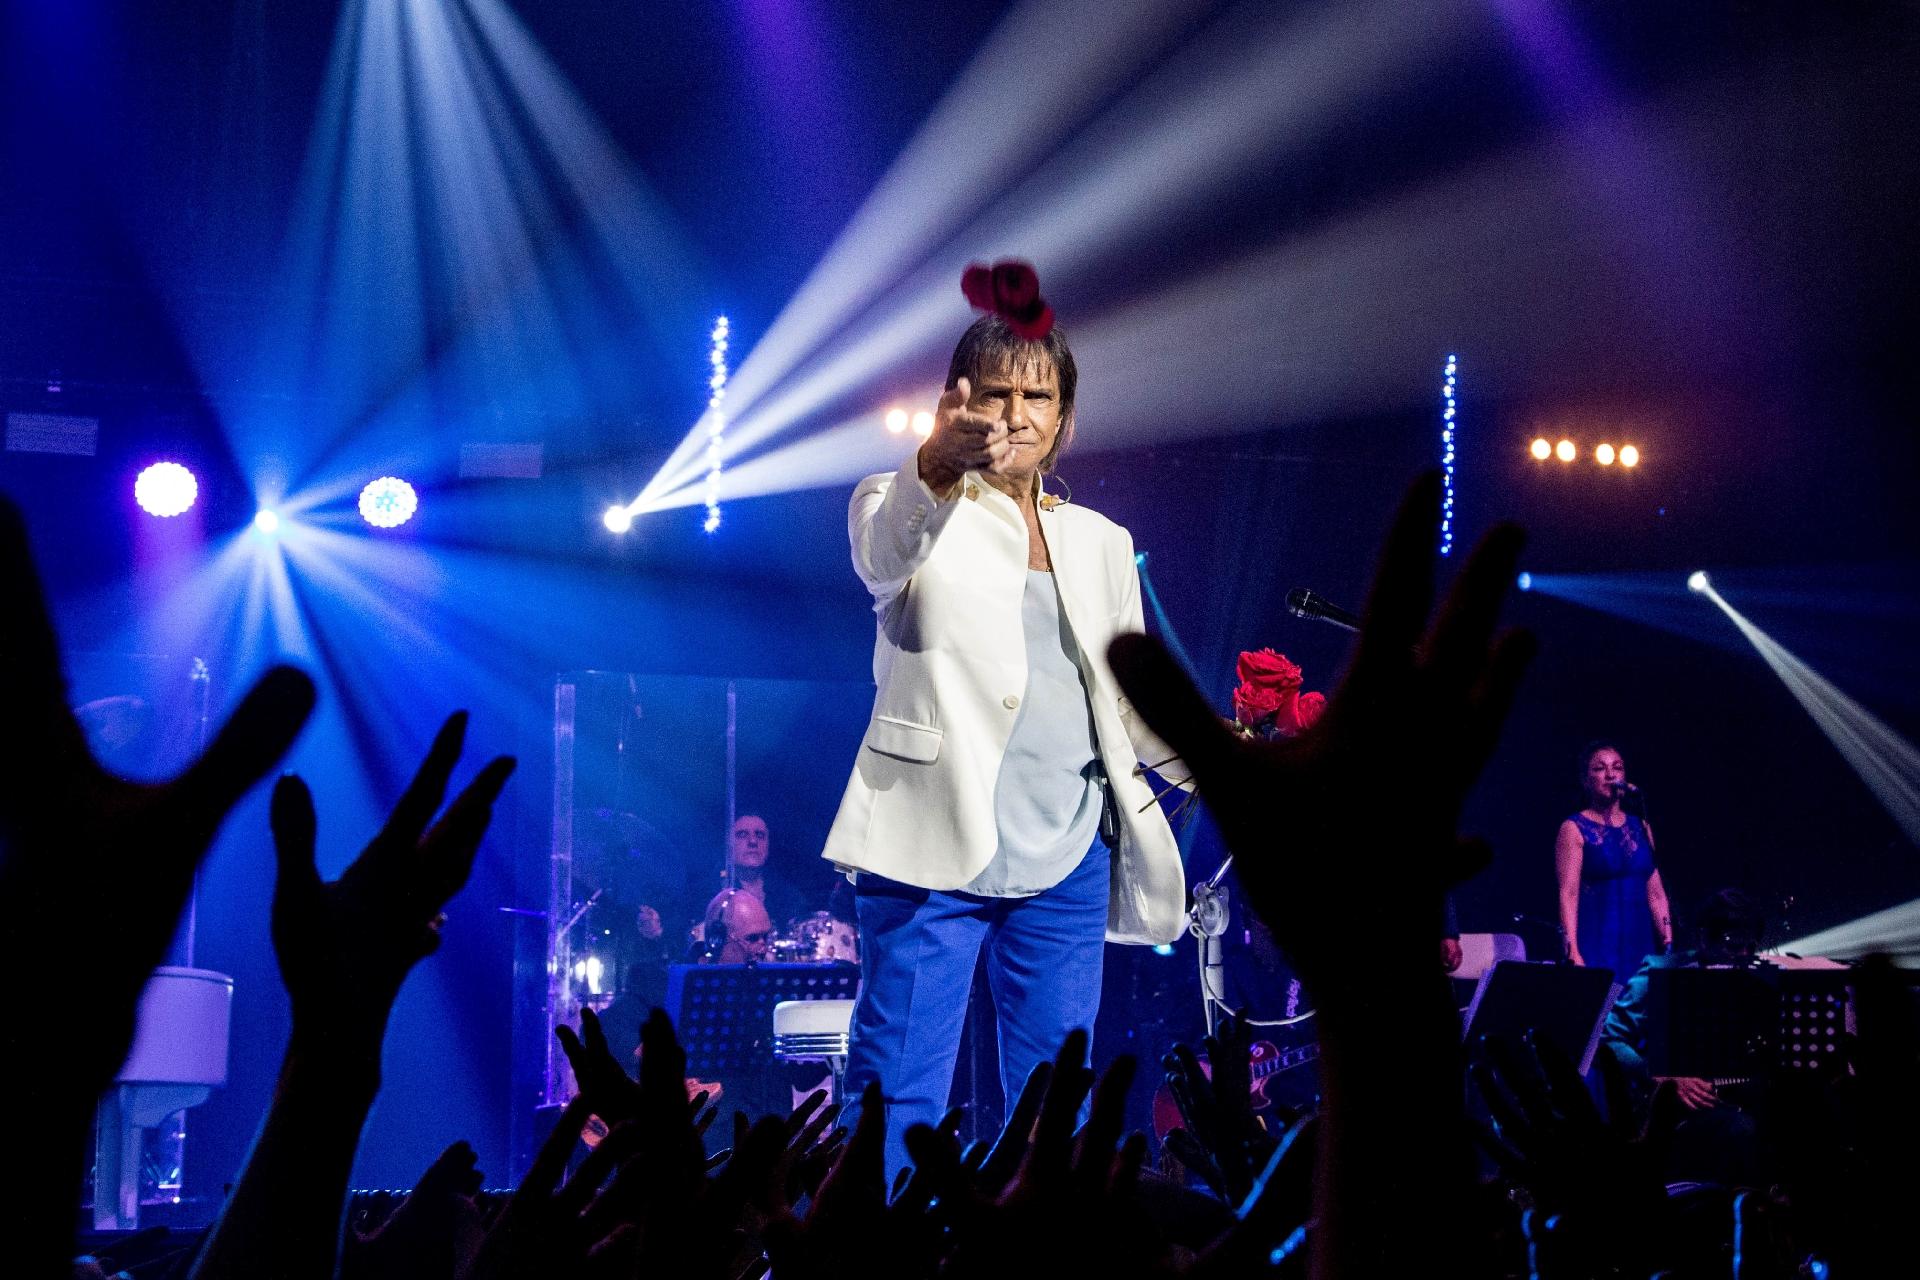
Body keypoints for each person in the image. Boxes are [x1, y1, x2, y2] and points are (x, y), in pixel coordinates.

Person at [824, 292, 1189, 1179]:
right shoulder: (902, 501)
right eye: (993, 394)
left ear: (1064, 416)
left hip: (1067, 850)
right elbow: (884, 557)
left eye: (1037, 398)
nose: (1014, 416)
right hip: (930, 843)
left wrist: (1229, 763)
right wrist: (936, 466)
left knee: (1051, 1103)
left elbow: (1130, 701)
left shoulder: (1101, 541)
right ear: (960, 400)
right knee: (897, 1094)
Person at [1555, 740, 1671, 980]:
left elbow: (1656, 893)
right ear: (1586, 780)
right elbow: (1568, 893)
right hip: (1596, 946)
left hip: (1640, 947)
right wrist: (1572, 950)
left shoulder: (1641, 826)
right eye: (1600, 768)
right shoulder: (1574, 828)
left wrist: (1667, 939)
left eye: (1617, 768)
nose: (1610, 775)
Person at [697, 887, 774, 964]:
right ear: (717, 940)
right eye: (752, 938)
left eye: (765, 937)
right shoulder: (690, 974)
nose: (763, 950)